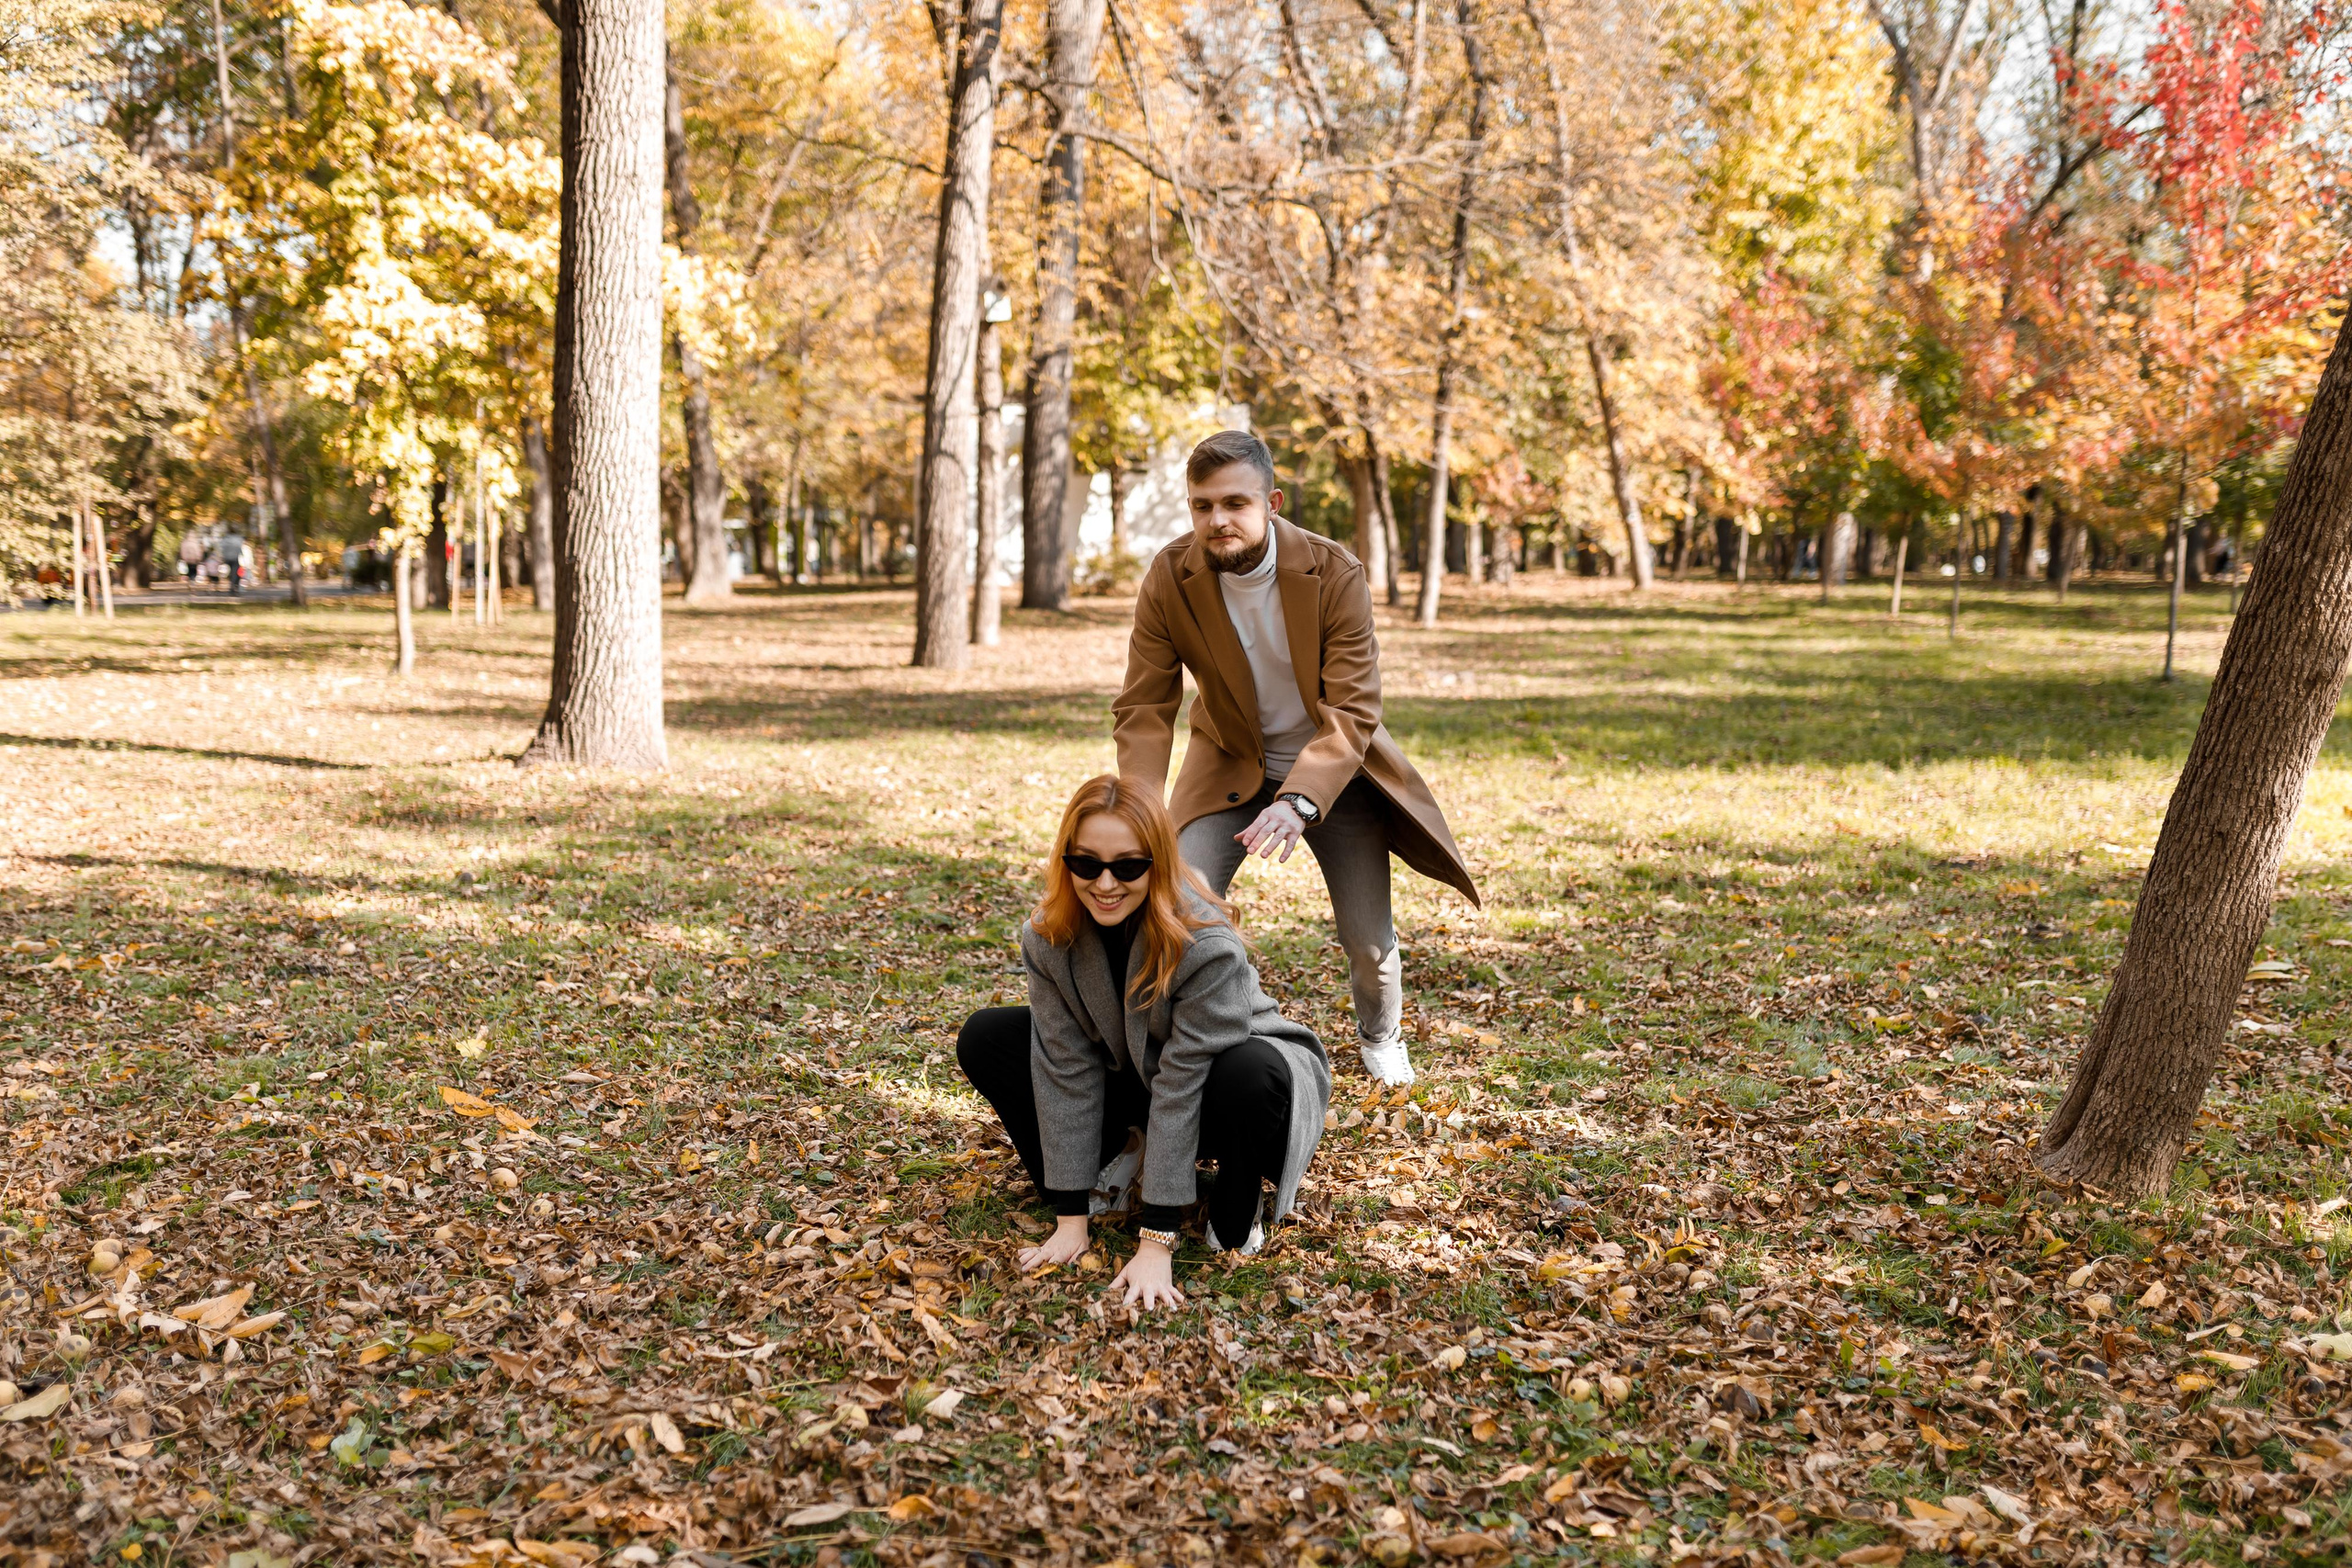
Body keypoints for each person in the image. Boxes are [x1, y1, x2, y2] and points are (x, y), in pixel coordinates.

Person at [1114, 429, 1478, 1088]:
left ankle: (1381, 1034)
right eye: (1202, 506)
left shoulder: (1333, 571)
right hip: (1228, 766)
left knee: (1369, 944)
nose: (1217, 520)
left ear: (1271, 502)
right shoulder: (1172, 576)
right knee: (1175, 907)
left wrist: (1300, 799)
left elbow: (1354, 708)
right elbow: (1144, 706)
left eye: (1235, 503)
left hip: (1334, 775)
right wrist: (1135, 810)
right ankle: (1188, 1048)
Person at [956, 773, 1331, 1311]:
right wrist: (1071, 1219)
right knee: (989, 1035)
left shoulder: (1205, 942)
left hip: (1234, 1088)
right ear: (1066, 860)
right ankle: (1122, 1154)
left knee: (1248, 1072)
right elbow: (1064, 1064)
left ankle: (1236, 1202)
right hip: (1140, 1066)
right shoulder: (1048, 935)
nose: (1105, 883)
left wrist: (1157, 1240)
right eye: (1087, 863)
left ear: (1157, 862)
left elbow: (1185, 1080)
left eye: (1127, 866)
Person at [218, 528, 246, 594]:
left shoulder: (225, 539)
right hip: (235, 558)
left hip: (227, 558)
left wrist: (223, 556)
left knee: (228, 572)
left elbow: (221, 548)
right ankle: (233, 586)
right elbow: (240, 548)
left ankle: (232, 586)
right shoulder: (238, 539)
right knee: (235, 573)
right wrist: (241, 555)